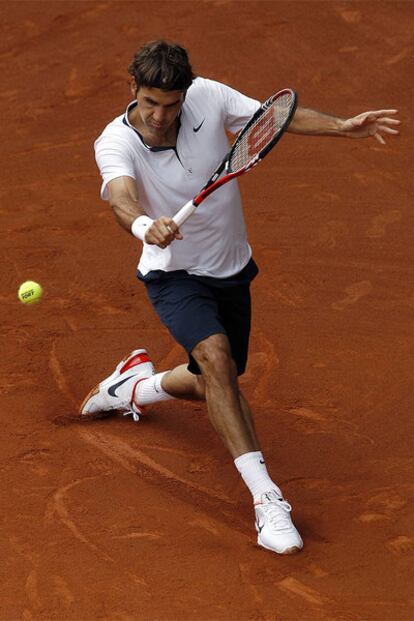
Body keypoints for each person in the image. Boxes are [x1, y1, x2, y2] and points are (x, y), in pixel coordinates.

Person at [80, 40, 400, 555]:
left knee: (216, 379)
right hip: (173, 273)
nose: (160, 117)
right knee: (216, 358)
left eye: (171, 105)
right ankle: (267, 500)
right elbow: (121, 197)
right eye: (149, 104)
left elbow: (271, 120)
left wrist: (342, 127)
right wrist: (145, 224)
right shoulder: (115, 142)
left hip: (229, 269)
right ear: (132, 90)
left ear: (186, 94)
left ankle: (135, 388)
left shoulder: (208, 96)